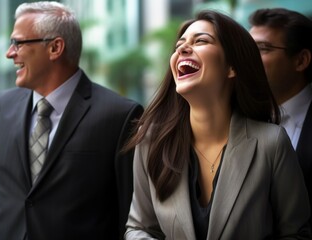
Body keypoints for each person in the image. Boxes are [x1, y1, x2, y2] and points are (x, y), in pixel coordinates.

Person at [0, 1, 143, 240]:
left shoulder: (120, 116)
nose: (10, 53)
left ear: (55, 48)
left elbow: (132, 215)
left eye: (18, 43)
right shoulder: (0, 107)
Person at [124, 10, 311, 239]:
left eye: (201, 40)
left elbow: (297, 234)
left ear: (232, 67)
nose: (182, 49)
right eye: (179, 44)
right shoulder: (151, 141)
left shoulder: (271, 144)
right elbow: (139, 228)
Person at [249, 8, 312, 226]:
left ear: (301, 60)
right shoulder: (239, 118)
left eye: (262, 48)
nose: (248, 58)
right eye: (247, 48)